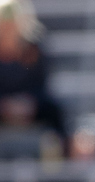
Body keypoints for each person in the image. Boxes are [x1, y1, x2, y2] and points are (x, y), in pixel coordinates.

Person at [0, 0, 69, 158]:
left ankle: (59, 167)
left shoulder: (35, 47)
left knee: (55, 111)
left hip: (31, 104)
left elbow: (43, 84)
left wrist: (28, 103)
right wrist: (4, 104)